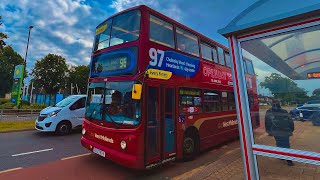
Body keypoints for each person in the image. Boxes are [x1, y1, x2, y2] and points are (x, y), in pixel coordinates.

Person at [265, 100, 295, 166]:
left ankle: (287, 159)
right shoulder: (284, 111)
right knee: (286, 144)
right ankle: (284, 157)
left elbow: (267, 123)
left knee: (280, 143)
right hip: (285, 131)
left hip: (277, 131)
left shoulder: (269, 111)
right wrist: (291, 129)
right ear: (279, 104)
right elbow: (290, 121)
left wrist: (269, 131)